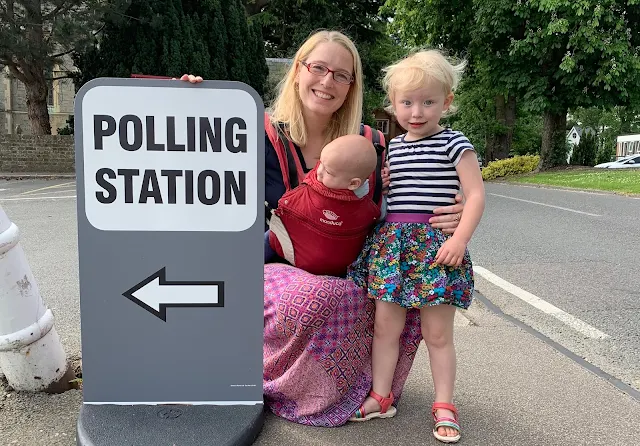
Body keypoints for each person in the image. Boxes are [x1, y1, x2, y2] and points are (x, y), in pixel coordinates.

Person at [178, 30, 466, 427]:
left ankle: (367, 390)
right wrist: (184, 106)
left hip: (348, 263)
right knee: (321, 294)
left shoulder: (372, 144)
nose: (328, 81)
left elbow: (404, 200)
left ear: (351, 86)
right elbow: (197, 174)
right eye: (319, 68)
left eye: (341, 75)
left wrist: (456, 210)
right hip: (271, 265)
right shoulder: (251, 134)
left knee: (400, 293)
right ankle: (293, 389)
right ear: (298, 71)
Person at [346, 49, 485, 443]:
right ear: (393, 104)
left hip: (436, 250)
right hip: (392, 248)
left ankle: (444, 403)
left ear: (447, 101)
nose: (417, 111)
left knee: (438, 333)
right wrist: (383, 187)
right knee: (385, 329)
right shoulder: (393, 147)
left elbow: (474, 195)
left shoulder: (454, 142)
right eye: (406, 102)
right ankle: (380, 395)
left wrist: (460, 239)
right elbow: (386, 200)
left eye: (428, 101)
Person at [265, 134, 386, 277]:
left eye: (328, 171)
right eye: (320, 163)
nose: (319, 172)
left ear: (353, 183)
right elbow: (380, 216)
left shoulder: (367, 201)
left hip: (296, 256)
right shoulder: (369, 199)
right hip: (326, 262)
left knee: (270, 237)